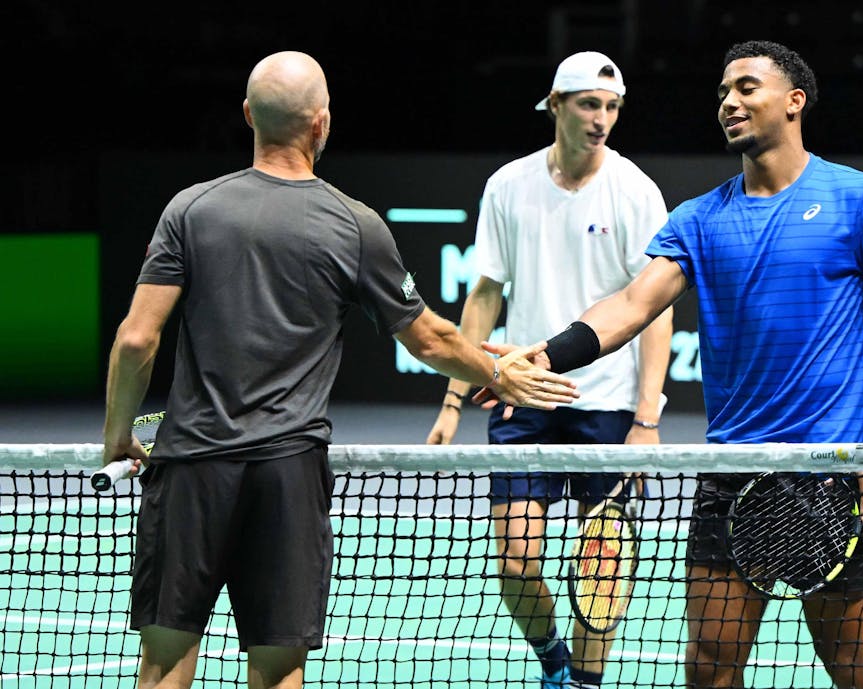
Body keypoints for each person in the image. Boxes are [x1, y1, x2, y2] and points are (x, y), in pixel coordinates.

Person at [101, 51, 577, 689]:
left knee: (163, 664)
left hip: (190, 467)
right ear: (322, 125)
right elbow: (431, 338)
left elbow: (135, 341)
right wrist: (498, 373)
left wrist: (117, 436)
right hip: (288, 475)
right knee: (277, 669)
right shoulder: (356, 225)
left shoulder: (189, 210)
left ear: (248, 116)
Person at [487, 40, 863, 689]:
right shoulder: (699, 218)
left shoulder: (860, 198)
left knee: (853, 665)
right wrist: (545, 354)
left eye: (747, 87)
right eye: (723, 91)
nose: (729, 101)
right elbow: (632, 305)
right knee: (710, 666)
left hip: (831, 473)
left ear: (794, 101)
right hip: (733, 476)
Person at [425, 51, 672, 689]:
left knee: (604, 566)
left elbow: (654, 310)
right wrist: (453, 402)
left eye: (613, 107)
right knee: (516, 564)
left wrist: (647, 418)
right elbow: (484, 298)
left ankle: (586, 683)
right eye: (590, 104)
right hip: (523, 400)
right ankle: (554, 662)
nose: (602, 119)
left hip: (609, 407)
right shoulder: (509, 185)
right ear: (556, 104)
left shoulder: (637, 191)